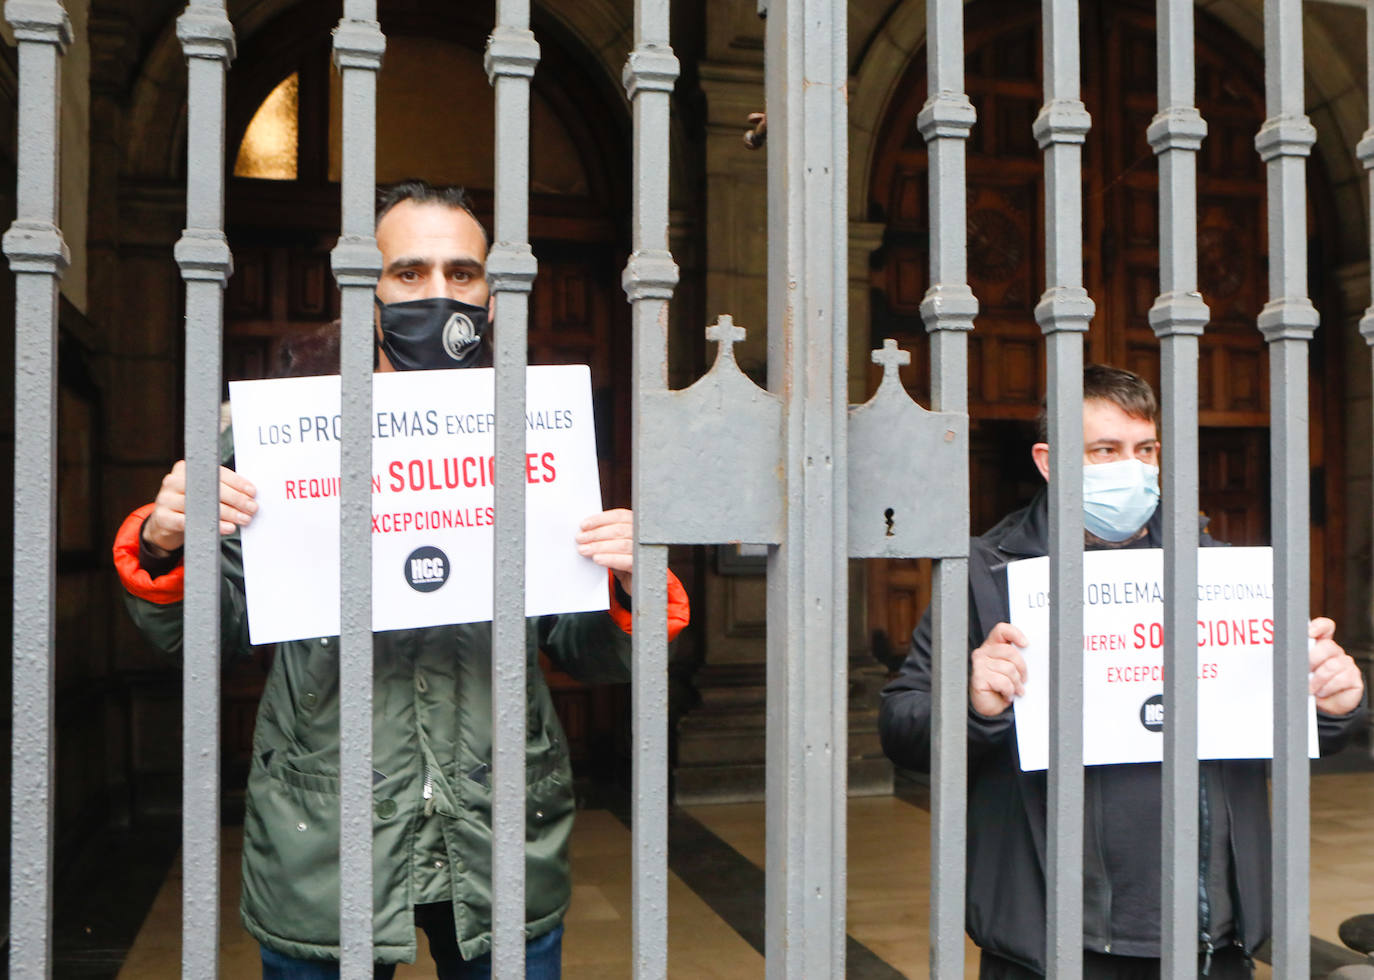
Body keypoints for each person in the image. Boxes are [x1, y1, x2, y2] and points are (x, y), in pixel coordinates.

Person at [112, 180, 690, 979]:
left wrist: (627, 583)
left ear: (493, 294)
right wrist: (168, 544)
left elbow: (581, 646)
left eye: (463, 273)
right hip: (328, 835)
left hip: (499, 831)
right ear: (365, 290)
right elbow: (207, 633)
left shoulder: (533, 433)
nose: (439, 294)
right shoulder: (282, 437)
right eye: (409, 273)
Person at [878, 364, 1367, 980]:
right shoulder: (987, 575)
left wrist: (1334, 704)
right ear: (1050, 461)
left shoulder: (1218, 574)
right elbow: (901, 726)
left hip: (1207, 934)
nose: (1130, 469)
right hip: (1048, 934)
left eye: (1145, 450)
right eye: (1104, 451)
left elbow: (1276, 719)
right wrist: (971, 704)